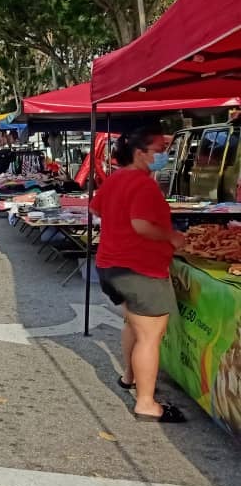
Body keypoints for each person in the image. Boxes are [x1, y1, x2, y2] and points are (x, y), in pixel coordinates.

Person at [90, 124, 186, 423]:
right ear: (140, 152)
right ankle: (146, 403)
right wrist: (172, 237)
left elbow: (97, 209)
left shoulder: (117, 179)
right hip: (139, 270)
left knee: (133, 324)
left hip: (112, 265)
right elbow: (141, 225)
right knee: (150, 336)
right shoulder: (143, 184)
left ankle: (130, 377)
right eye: (159, 150)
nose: (164, 155)